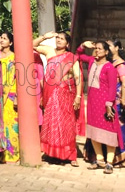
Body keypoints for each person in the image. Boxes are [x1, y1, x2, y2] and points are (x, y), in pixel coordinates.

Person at [33, 31, 81, 166]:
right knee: (52, 123)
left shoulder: (71, 57)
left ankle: (71, 155)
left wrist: (78, 96)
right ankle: (53, 153)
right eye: (57, 38)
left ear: (67, 43)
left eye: (62, 39)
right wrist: (44, 37)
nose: (59, 40)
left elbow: (77, 77)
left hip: (65, 93)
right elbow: (30, 45)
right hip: (49, 92)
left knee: (67, 123)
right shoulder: (49, 51)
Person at [77, 40, 120, 174]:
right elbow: (78, 55)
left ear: (106, 52)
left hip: (105, 103)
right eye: (96, 48)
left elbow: (112, 88)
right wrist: (83, 46)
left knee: (108, 132)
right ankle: (100, 159)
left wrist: (109, 104)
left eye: (100, 49)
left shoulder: (110, 68)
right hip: (92, 102)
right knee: (94, 131)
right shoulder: (91, 61)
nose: (97, 50)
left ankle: (109, 162)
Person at [0, 31, 20, 163]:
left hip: (11, 93)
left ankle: (12, 154)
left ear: (11, 42)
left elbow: (19, 77)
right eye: (1, 38)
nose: (2, 40)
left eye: (5, 39)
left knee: (11, 122)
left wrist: (18, 96)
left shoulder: (16, 57)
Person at [107, 39, 125, 166]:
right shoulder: (109, 63)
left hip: (117, 101)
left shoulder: (121, 65)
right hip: (108, 101)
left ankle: (123, 154)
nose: (108, 48)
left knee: (120, 127)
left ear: (117, 48)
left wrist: (122, 101)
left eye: (110, 46)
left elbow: (124, 85)